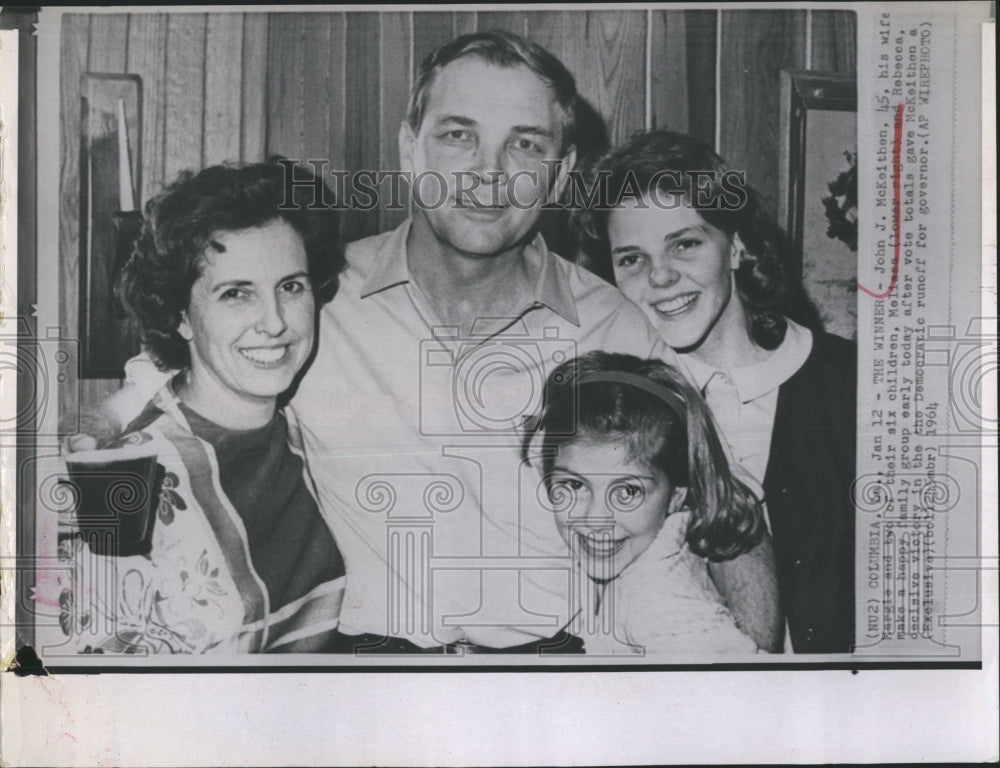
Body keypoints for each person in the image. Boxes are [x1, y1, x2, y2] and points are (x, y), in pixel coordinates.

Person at [77, 33, 781, 654]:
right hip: (368, 675)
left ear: (561, 173)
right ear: (409, 149)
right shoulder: (313, 299)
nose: (489, 172)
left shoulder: (617, 326)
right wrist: (95, 429)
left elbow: (728, 511)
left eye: (525, 144)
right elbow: (183, 368)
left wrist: (756, 684)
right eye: (458, 134)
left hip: (555, 674)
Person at [582, 130, 856, 652]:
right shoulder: (617, 408)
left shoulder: (853, 383)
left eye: (685, 244)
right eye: (632, 258)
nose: (661, 276)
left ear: (737, 246)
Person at [58, 162, 347, 654]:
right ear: (181, 316)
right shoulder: (119, 481)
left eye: (290, 287)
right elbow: (98, 680)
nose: (274, 322)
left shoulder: (309, 423)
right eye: (236, 294)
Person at [524, 352, 764, 655]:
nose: (596, 519)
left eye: (627, 492)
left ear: (676, 496)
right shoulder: (648, 549)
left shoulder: (661, 611)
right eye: (574, 485)